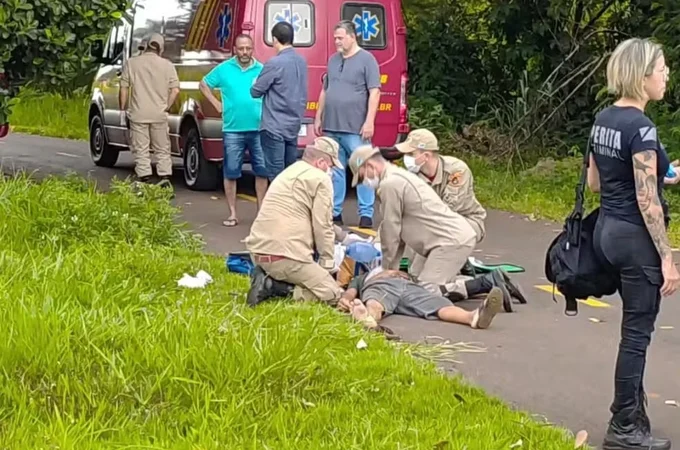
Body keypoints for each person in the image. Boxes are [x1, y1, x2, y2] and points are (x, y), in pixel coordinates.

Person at [586, 37, 677, 450]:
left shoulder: (604, 119)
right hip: (636, 240)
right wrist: (668, 256)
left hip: (607, 232)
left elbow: (595, 181)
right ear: (642, 76)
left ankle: (631, 413)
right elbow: (647, 198)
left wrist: (665, 173)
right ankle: (624, 428)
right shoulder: (641, 127)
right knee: (636, 335)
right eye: (661, 68)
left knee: (632, 332)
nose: (666, 75)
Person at [347, 145, 521, 308]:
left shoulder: (389, 184)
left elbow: (391, 230)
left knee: (424, 291)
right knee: (415, 280)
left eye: (362, 177)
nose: (364, 183)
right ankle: (491, 281)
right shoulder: (399, 177)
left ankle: (488, 282)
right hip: (443, 240)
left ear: (370, 165)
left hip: (448, 242)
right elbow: (397, 232)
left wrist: (386, 269)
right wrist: (392, 268)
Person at [245, 137, 345, 307]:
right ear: (321, 162)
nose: (332, 171)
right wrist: (327, 265)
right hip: (286, 257)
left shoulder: (290, 171)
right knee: (333, 294)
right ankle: (276, 288)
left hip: (257, 253)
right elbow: (323, 225)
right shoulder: (321, 179)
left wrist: (343, 237)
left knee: (313, 280)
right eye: (332, 166)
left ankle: (269, 278)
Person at [314, 20, 382, 229]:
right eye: (335, 38)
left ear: (352, 37)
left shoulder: (367, 60)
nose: (337, 41)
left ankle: (366, 213)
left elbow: (375, 92)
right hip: (332, 125)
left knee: (364, 168)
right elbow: (326, 89)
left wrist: (369, 120)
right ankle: (335, 212)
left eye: (340, 37)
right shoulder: (333, 60)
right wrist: (319, 116)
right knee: (336, 170)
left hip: (355, 127)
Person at [200, 34, 268, 227]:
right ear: (235, 49)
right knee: (231, 172)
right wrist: (215, 103)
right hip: (233, 129)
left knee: (262, 171)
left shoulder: (262, 69)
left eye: (248, 48)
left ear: (253, 48)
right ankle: (232, 213)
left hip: (258, 128)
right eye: (241, 48)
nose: (245, 52)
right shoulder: (224, 69)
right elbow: (204, 84)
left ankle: (262, 214)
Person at [338, 267, 503, 331]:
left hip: (410, 286)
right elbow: (350, 292)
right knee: (375, 301)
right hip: (381, 285)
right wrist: (346, 299)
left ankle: (473, 317)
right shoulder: (364, 277)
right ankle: (367, 318)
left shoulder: (404, 268)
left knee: (439, 304)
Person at [397, 128, 486, 243]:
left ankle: (454, 259)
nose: (405, 157)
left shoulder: (457, 170)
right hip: (433, 222)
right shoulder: (412, 177)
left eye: (410, 154)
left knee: (435, 234)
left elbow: (448, 211)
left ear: (426, 156)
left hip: (466, 221)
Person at [119, 33, 180, 187]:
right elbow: (175, 90)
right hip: (159, 114)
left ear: (146, 45)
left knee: (141, 148)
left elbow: (124, 88)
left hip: (138, 113)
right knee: (162, 148)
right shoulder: (168, 65)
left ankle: (144, 178)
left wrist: (122, 109)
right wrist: (166, 106)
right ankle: (165, 177)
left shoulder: (132, 63)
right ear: (161, 48)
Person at [251, 22, 308, 181]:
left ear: (274, 39)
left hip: (274, 126)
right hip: (293, 125)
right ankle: (291, 205)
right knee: (290, 175)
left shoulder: (274, 63)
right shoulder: (301, 62)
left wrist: (255, 82)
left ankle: (279, 205)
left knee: (276, 177)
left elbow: (256, 91)